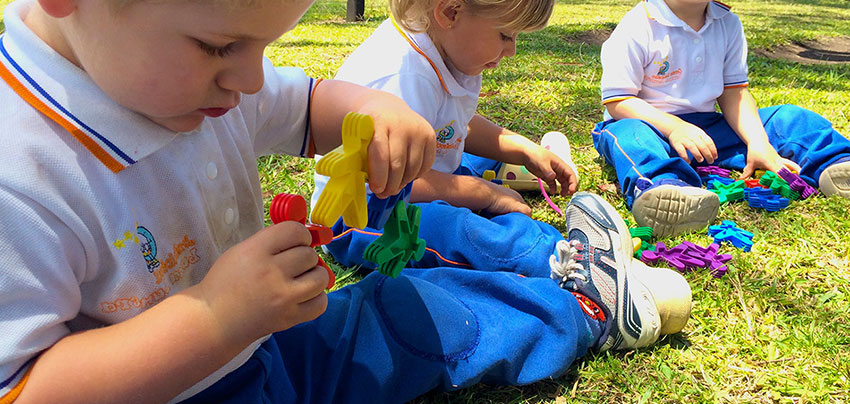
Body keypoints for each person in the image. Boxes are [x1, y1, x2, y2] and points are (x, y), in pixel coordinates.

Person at [0, 1, 690, 404]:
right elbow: (26, 388)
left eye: (263, 46)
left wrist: (370, 108)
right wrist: (216, 316)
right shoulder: (19, 167)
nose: (247, 78)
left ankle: (584, 307)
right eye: (220, 46)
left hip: (264, 338)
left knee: (411, 318)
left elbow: (304, 104)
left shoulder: (200, 74)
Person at [312, 0, 580, 272]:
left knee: (473, 160)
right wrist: (486, 194)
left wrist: (524, 149)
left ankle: (518, 171)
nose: (511, 50)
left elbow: (455, 124)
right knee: (461, 230)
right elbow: (397, 182)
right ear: (450, 12)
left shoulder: (444, 47)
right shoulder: (404, 74)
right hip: (365, 215)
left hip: (421, 171)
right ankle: (555, 256)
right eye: (505, 35)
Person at [593, 0, 850, 237]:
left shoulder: (727, 23)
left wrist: (758, 142)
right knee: (629, 136)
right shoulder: (637, 27)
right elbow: (619, 102)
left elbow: (734, 94)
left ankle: (834, 162)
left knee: (789, 117)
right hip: (644, 124)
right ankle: (664, 186)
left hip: (706, 132)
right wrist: (674, 127)